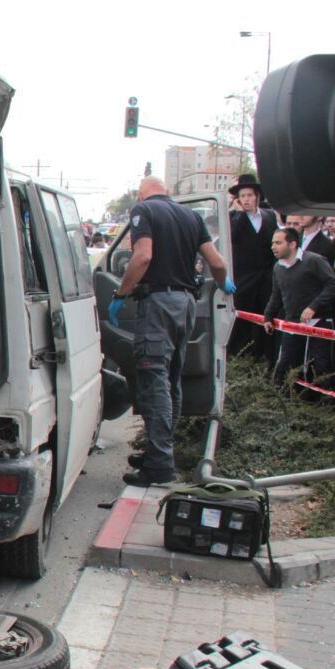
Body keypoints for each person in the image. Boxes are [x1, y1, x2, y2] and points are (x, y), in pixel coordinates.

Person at [110, 177, 231, 486]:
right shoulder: (191, 216)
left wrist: (121, 294)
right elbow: (216, 262)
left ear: (142, 193)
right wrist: (221, 283)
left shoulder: (144, 211)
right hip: (187, 303)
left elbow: (143, 256)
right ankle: (158, 453)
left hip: (159, 303)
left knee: (154, 380)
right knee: (171, 379)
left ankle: (160, 465)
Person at [263, 227, 335, 385]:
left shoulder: (314, 260)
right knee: (285, 364)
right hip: (292, 323)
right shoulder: (278, 267)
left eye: (278, 243)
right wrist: (268, 316)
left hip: (319, 323)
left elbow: (333, 285)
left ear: (292, 244)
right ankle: (286, 401)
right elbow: (276, 295)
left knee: (319, 367)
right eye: (273, 243)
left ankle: (321, 404)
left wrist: (313, 307)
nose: (273, 247)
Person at [227, 174, 279, 364]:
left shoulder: (269, 216)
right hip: (244, 281)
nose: (246, 199)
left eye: (250, 195)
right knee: (241, 324)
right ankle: (239, 359)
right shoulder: (233, 218)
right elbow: (230, 239)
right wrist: (240, 214)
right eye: (243, 196)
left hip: (265, 280)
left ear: (257, 196)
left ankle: (264, 358)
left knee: (265, 321)